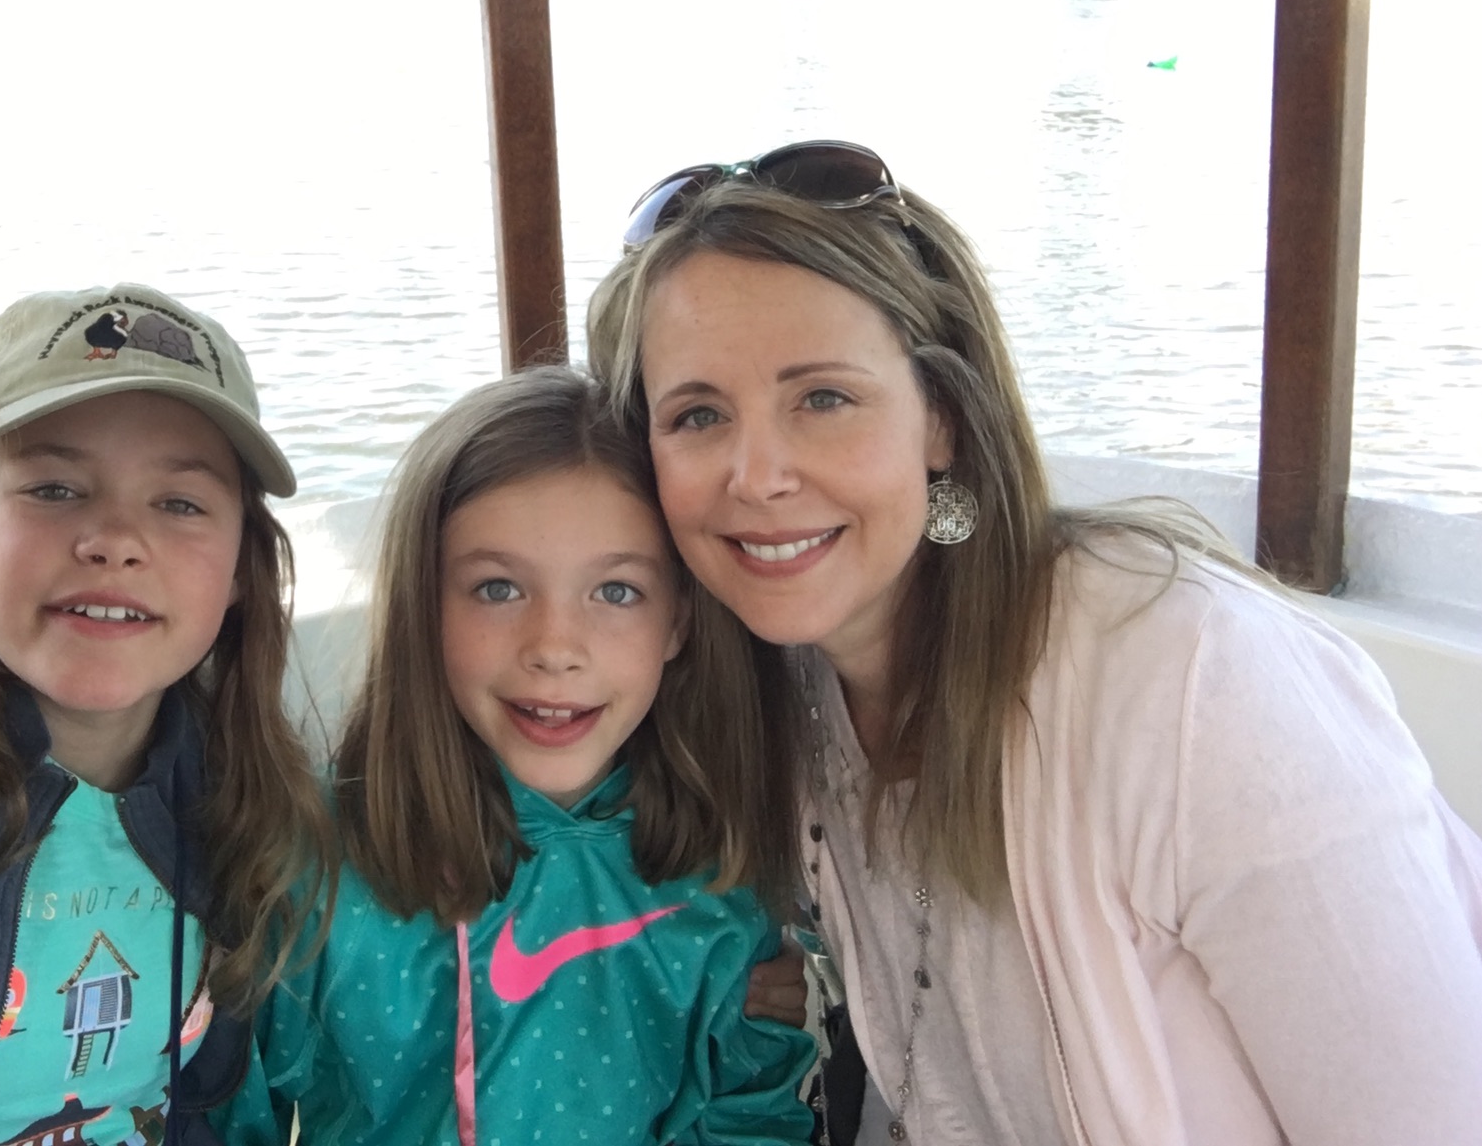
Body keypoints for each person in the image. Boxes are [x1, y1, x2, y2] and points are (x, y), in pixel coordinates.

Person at [587, 140, 1482, 1146]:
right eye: (698, 414)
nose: (756, 475)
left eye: (822, 398)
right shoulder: (790, 691)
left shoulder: (1190, 678)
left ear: (941, 419)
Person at [220, 364, 817, 1146]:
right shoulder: (310, 868)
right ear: (422, 606)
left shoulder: (723, 874)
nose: (553, 647)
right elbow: (231, 1113)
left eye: (616, 591)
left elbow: (747, 1119)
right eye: (498, 588)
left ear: (678, 620)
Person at [0, 283, 335, 1146]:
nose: (114, 539)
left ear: (241, 567)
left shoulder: (245, 794)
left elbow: (203, 1096)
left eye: (180, 503)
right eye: (54, 488)